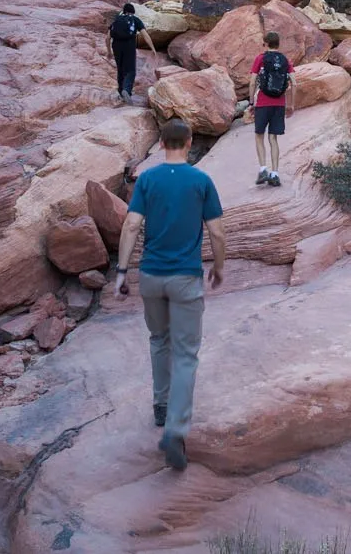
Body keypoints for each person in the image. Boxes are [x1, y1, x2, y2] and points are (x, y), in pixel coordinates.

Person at [114, 119, 226, 471]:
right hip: (185, 277)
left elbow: (131, 224)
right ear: (190, 142)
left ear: (162, 144)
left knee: (158, 339)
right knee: (186, 353)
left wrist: (121, 272)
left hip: (150, 275)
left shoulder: (147, 179)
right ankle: (175, 428)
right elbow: (217, 233)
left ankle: (160, 405)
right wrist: (219, 266)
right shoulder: (201, 181)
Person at [248, 31, 295, 187]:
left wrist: (251, 102)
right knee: (273, 138)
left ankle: (263, 170)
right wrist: (291, 104)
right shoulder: (285, 60)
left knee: (259, 135)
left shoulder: (261, 59)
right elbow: (294, 83)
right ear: (278, 44)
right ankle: (275, 174)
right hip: (279, 103)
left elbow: (252, 81)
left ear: (266, 43)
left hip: (262, 102)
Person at [106, 2, 156, 101]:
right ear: (132, 12)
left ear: (124, 11)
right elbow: (145, 35)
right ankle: (126, 90)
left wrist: (109, 51)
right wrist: (153, 48)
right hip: (129, 46)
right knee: (130, 71)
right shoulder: (135, 20)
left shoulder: (116, 20)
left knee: (120, 69)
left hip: (116, 46)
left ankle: (121, 92)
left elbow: (107, 38)